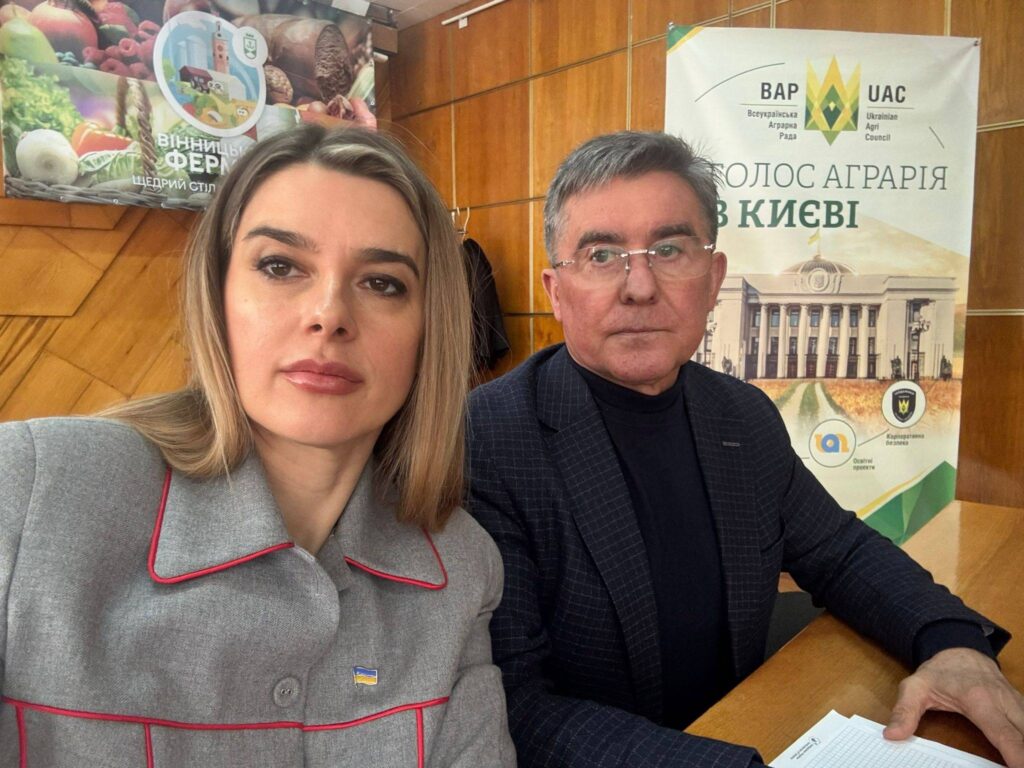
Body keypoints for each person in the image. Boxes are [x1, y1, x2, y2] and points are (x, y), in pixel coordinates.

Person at [467, 130, 1024, 768]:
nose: (639, 286)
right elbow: (513, 704)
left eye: (669, 249)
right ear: (555, 290)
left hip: (745, 723)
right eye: (601, 254)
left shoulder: (740, 414)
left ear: (713, 279)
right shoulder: (490, 439)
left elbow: (840, 553)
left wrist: (952, 642)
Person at [0, 125, 516, 766]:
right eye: (280, 266)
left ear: (429, 327)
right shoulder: (26, 490)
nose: (329, 314)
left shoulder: (462, 564)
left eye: (382, 282)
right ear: (216, 295)